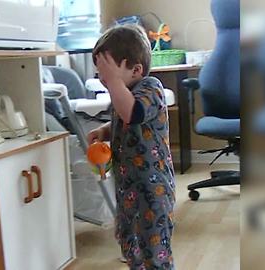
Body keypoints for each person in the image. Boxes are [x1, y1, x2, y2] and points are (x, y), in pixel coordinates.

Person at [87, 24, 176, 270]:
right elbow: (120, 119)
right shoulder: (122, 93)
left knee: (154, 250)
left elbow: (133, 114)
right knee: (129, 242)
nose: (103, 79)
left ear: (136, 70)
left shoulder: (151, 87)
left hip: (153, 190)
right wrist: (104, 130)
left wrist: (115, 83)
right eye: (100, 72)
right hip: (128, 189)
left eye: (108, 71)